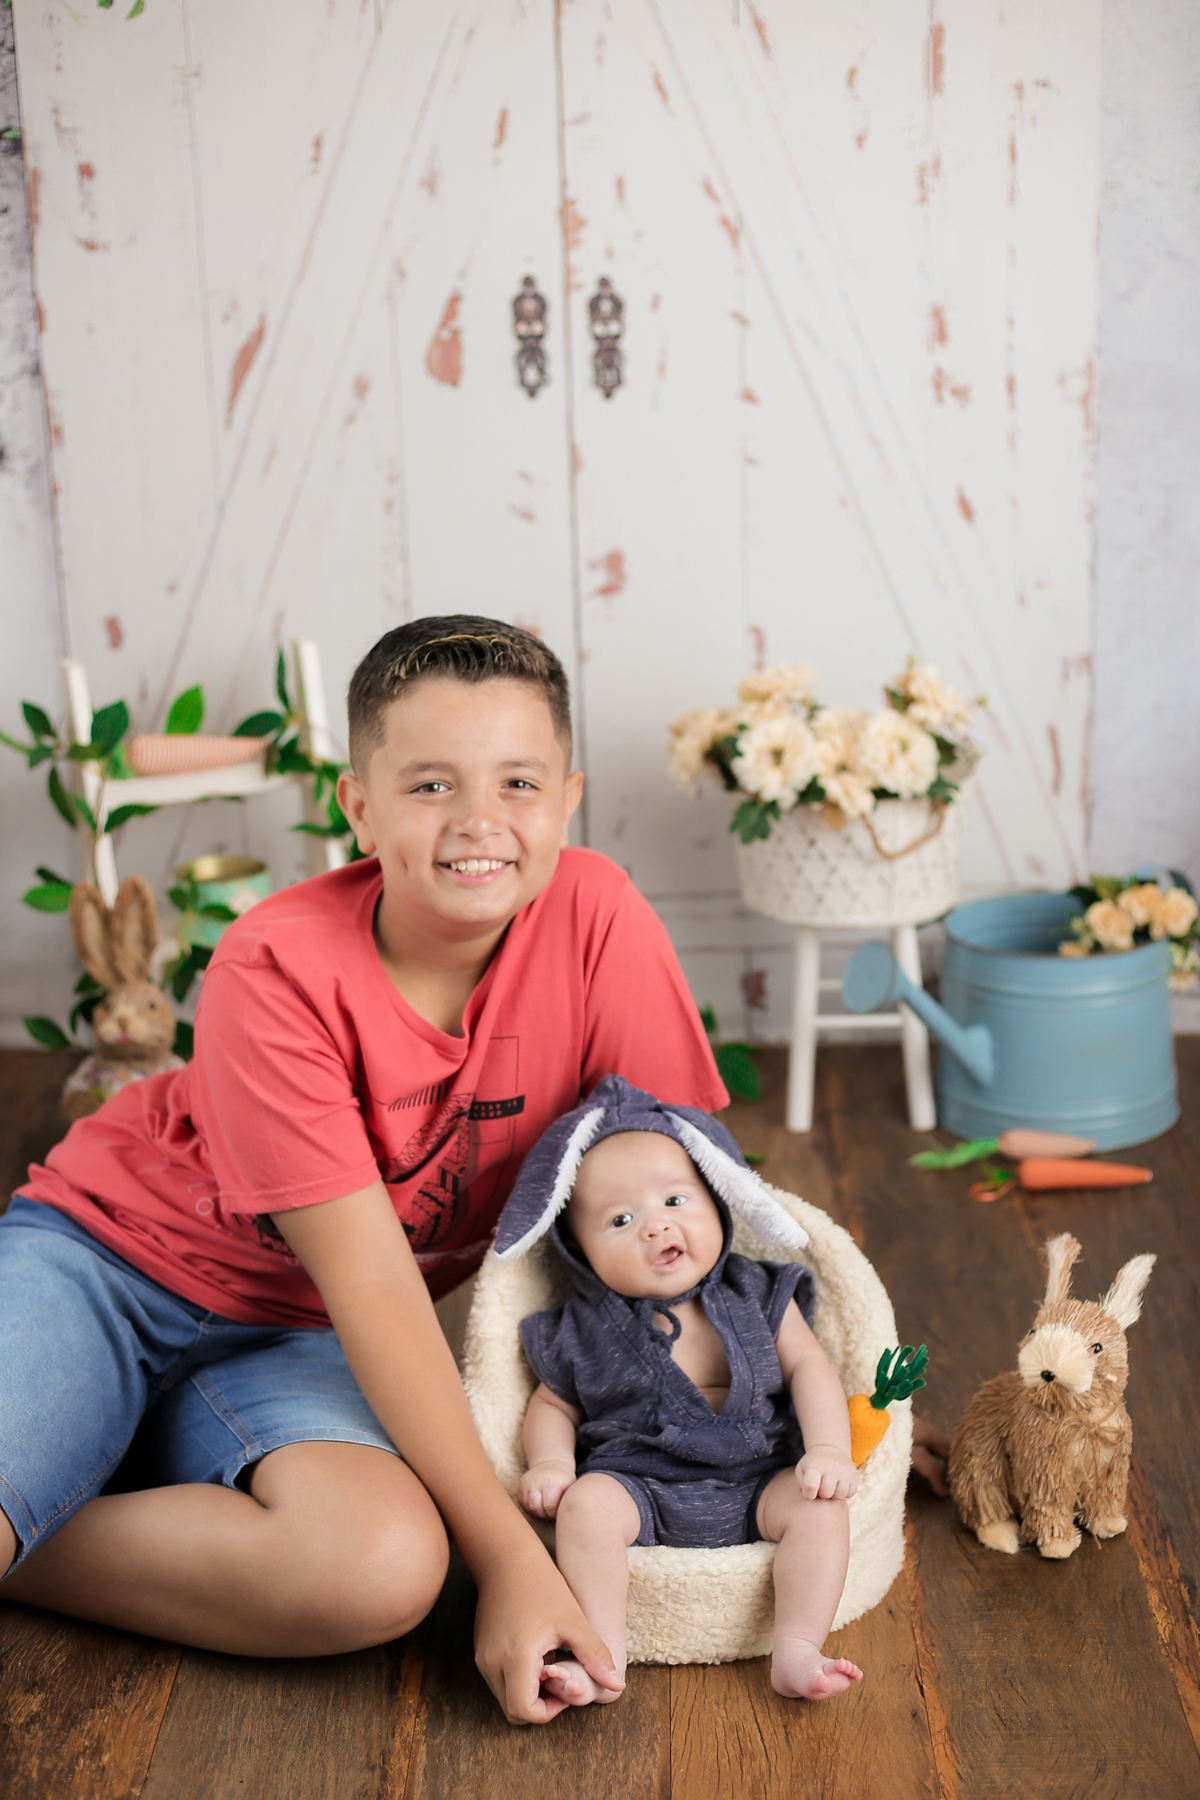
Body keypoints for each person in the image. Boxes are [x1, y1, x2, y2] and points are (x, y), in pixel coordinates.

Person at [0, 617, 731, 1724]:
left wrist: (817, 1387)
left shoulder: (596, 918)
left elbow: (683, 1183)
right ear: (358, 807)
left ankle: (47, 1513)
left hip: (300, 1335)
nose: (479, 821)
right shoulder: (272, 965)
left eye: (519, 782)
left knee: (380, 1567)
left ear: (568, 799)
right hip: (107, 1265)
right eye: (430, 785)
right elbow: (376, 1278)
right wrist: (510, 1560)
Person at [499, 1075, 866, 1704]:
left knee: (822, 1511)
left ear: (718, 1201)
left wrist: (829, 1449)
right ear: (580, 1253)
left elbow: (811, 1367)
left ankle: (798, 1647)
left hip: (759, 1477)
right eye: (620, 1219)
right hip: (638, 1487)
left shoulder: (758, 1290)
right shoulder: (581, 1326)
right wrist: (552, 1463)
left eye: (674, 1200)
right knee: (585, 1508)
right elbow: (552, 1402)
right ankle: (602, 1655)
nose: (655, 1226)